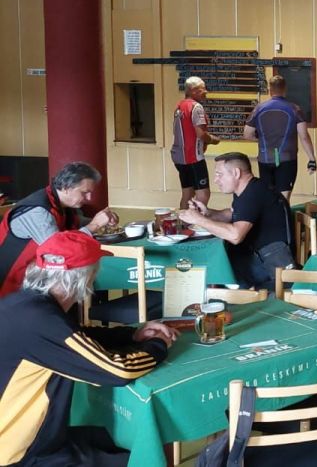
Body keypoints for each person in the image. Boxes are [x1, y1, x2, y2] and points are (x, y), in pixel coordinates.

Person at [0, 230, 176, 466]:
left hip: (33, 440)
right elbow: (118, 371)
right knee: (146, 454)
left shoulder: (25, 305)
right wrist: (159, 345)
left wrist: (132, 334)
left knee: (136, 440)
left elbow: (77, 338)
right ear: (83, 278)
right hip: (22, 454)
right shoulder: (43, 320)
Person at [178, 152, 295, 290]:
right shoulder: (251, 188)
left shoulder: (253, 194)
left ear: (236, 173)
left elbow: (235, 236)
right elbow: (235, 214)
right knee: (217, 261)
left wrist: (199, 220)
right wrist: (207, 213)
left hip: (272, 268)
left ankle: (220, 298)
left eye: (219, 174)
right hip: (261, 257)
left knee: (208, 268)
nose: (215, 180)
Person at [0, 162, 118, 298]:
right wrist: (95, 225)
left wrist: (103, 222)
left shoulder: (60, 204)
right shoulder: (38, 211)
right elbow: (60, 249)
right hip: (12, 285)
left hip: (35, 279)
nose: (89, 198)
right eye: (84, 192)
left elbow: (75, 224)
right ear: (66, 188)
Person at [244, 75, 317, 201]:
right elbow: (304, 136)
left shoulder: (259, 109)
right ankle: (283, 214)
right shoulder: (295, 109)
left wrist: (263, 140)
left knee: (268, 198)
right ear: (285, 89)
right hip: (287, 159)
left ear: (269, 89)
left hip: (265, 159)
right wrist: (312, 159)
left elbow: (247, 134)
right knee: (283, 199)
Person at [171, 76, 220, 209]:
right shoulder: (196, 107)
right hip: (193, 157)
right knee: (203, 194)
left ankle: (183, 220)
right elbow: (201, 134)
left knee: (187, 194)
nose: (206, 92)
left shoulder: (179, 106)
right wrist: (213, 140)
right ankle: (197, 220)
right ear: (193, 90)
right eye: (202, 89)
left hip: (179, 158)